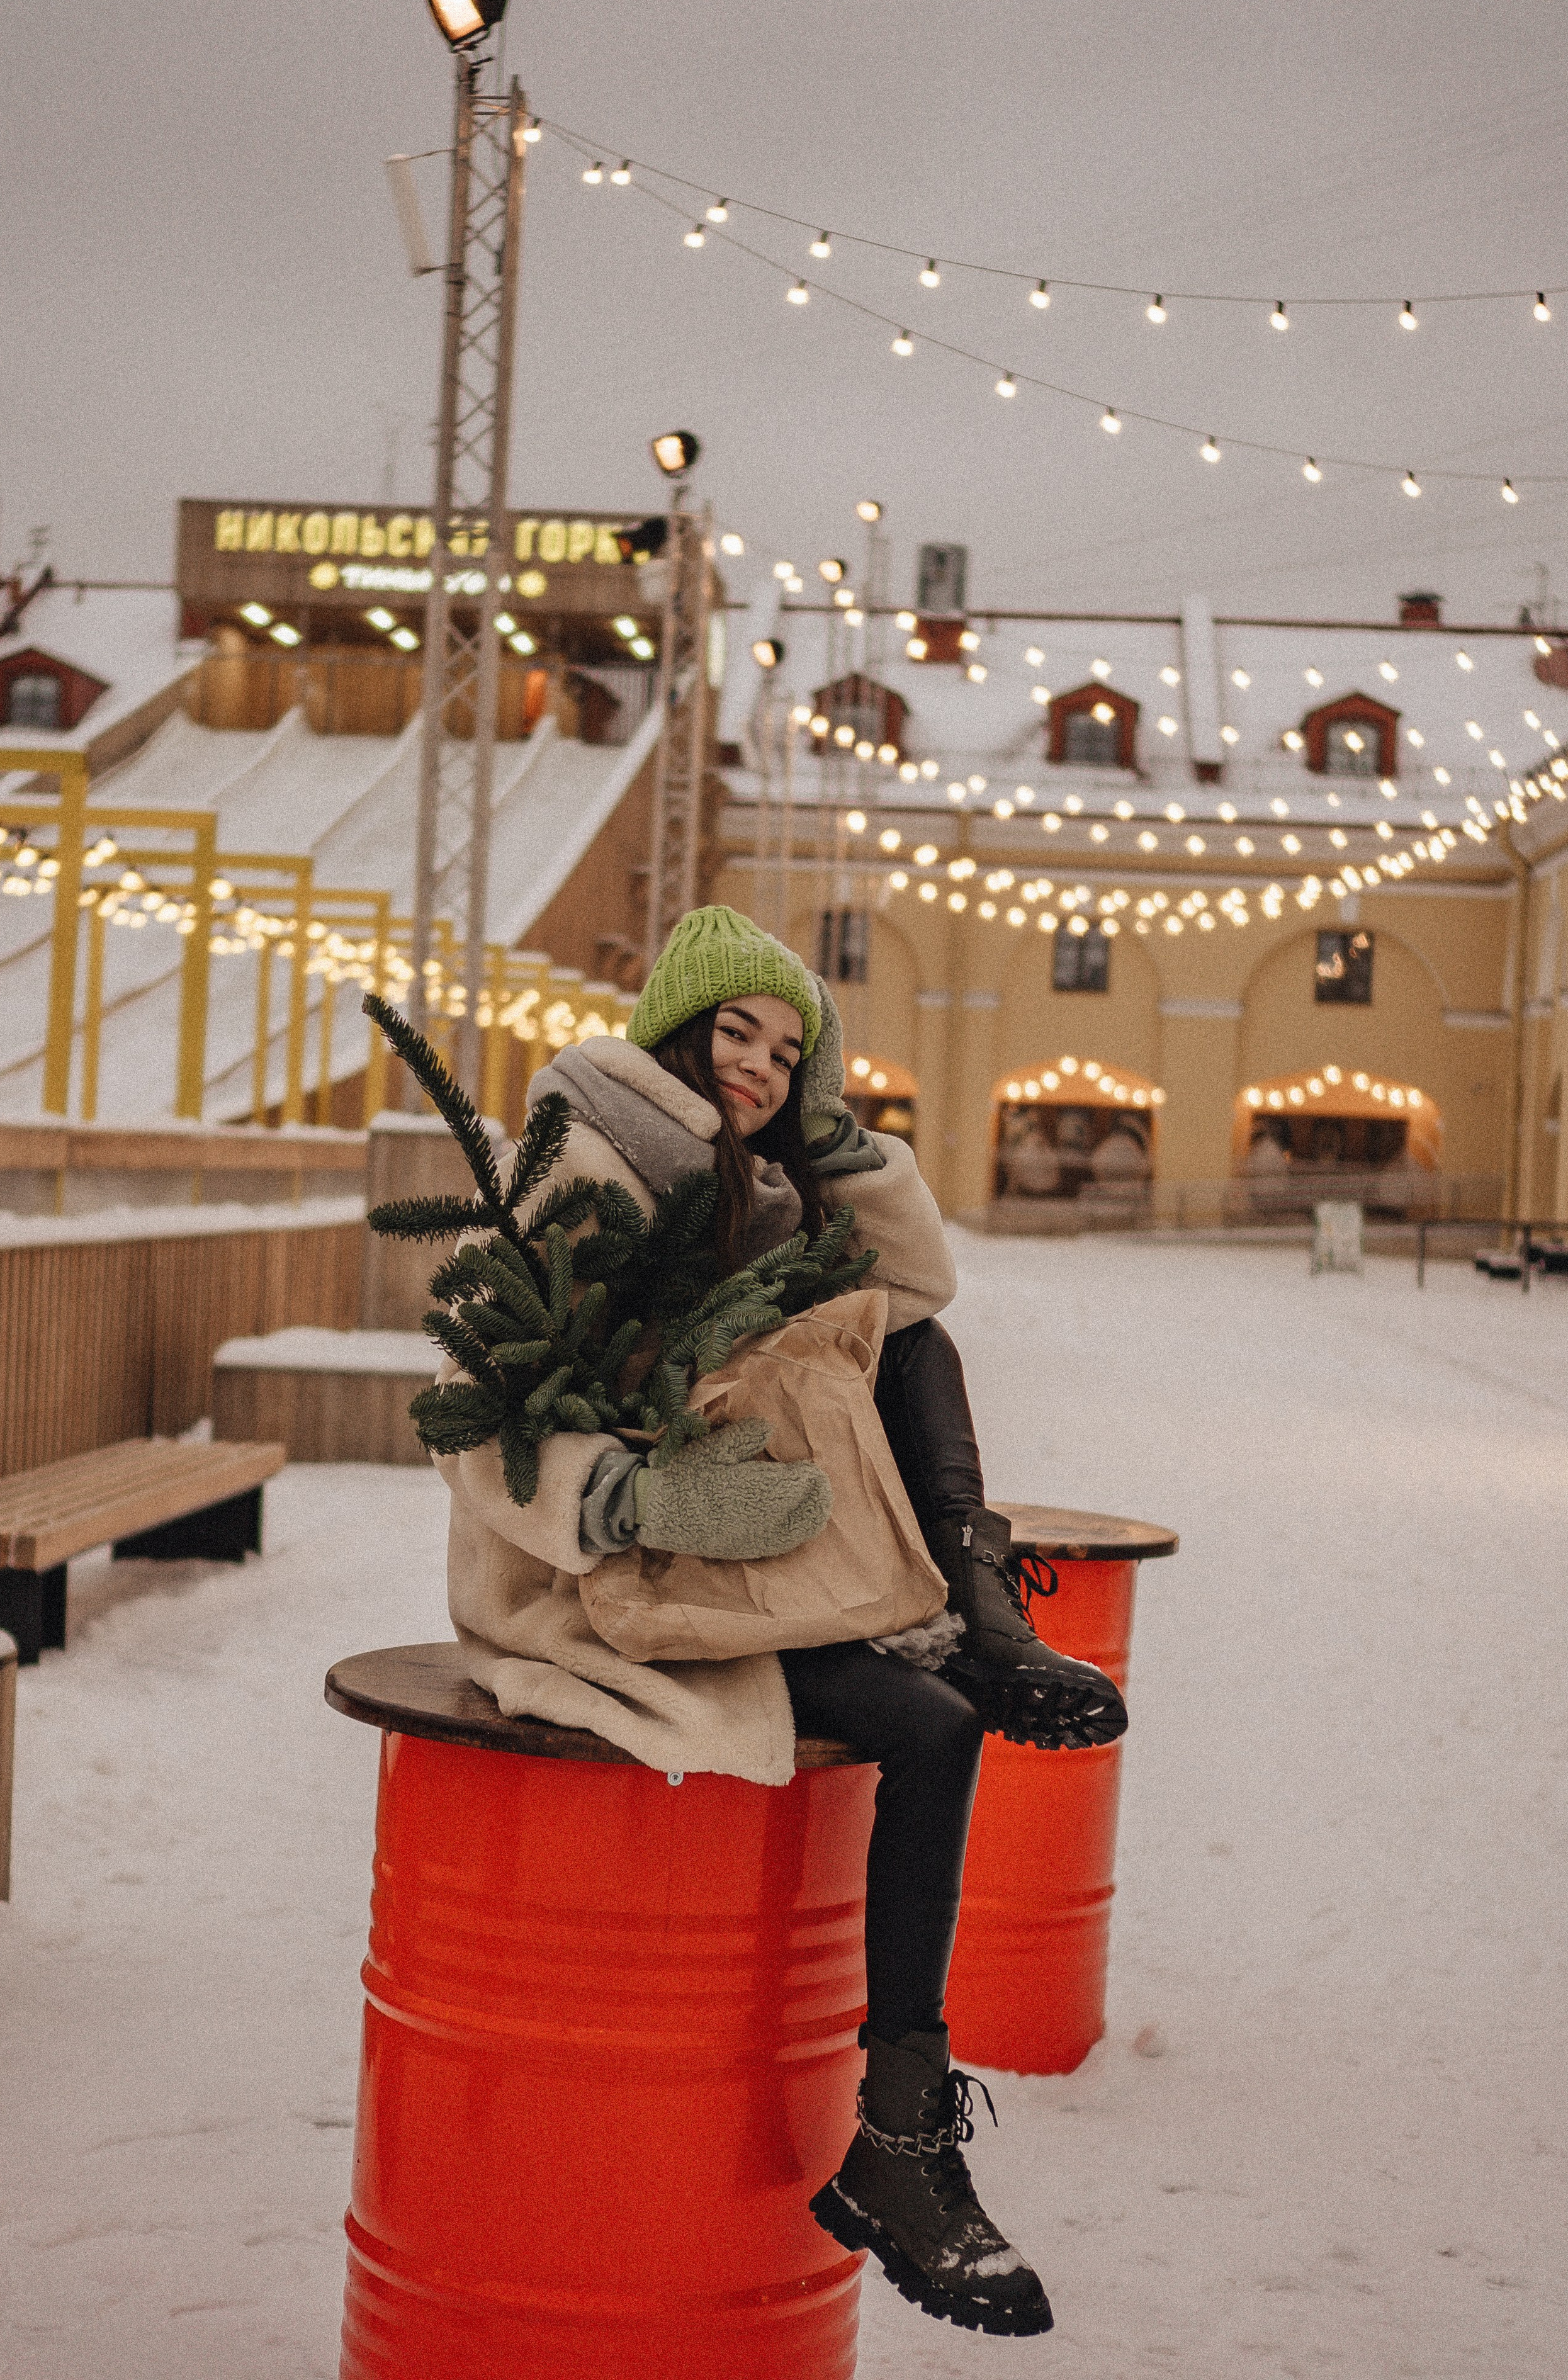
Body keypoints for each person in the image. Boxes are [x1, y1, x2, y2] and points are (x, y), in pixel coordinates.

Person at [437, 905, 1125, 2339]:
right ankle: (899, 2141)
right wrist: (631, 1501)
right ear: (674, 1030)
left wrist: (836, 1143)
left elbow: (918, 1289)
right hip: (616, 1579)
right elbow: (476, 1403)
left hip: (758, 1571)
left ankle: (898, 2133)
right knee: (925, 1725)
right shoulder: (576, 1163)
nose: (755, 1065)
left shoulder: (761, 1185)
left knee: (935, 1690)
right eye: (733, 1034)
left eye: (786, 1051)